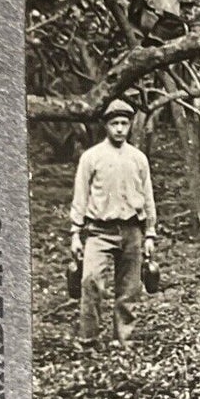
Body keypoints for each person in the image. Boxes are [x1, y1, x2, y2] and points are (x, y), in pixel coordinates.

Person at [70, 99, 156, 346]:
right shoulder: (91, 157)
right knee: (91, 281)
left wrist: (150, 233)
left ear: (130, 126)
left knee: (129, 288)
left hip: (132, 229)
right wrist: (76, 233)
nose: (119, 128)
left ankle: (123, 339)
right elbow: (80, 196)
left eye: (124, 123)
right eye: (114, 123)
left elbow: (148, 197)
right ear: (106, 126)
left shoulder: (138, 158)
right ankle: (89, 338)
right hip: (99, 230)